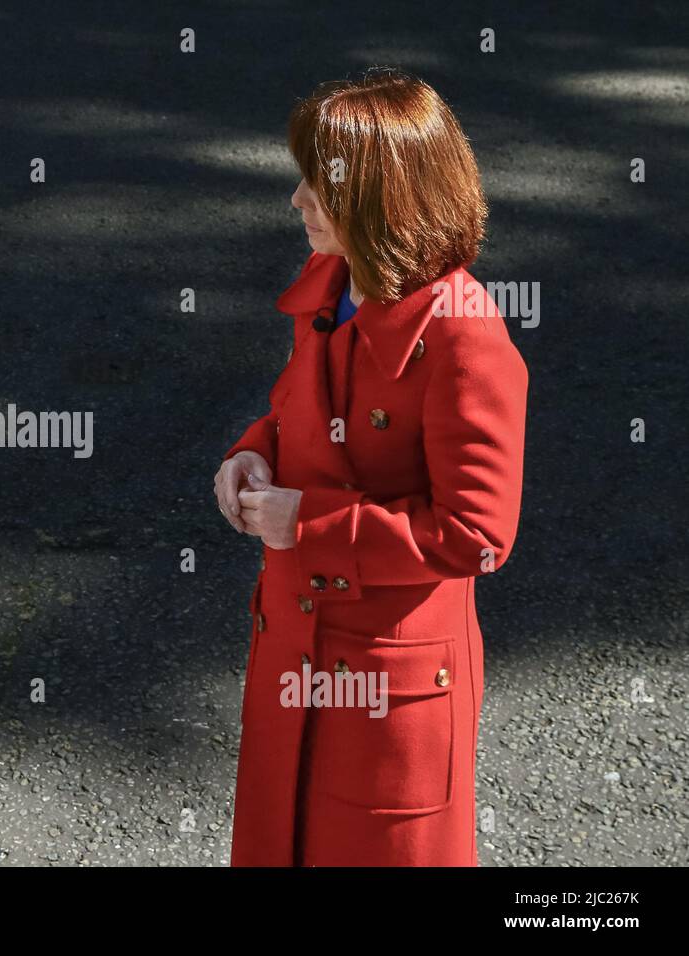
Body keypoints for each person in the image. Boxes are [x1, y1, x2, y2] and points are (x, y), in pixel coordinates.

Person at [214, 68, 528, 866]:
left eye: (318, 185)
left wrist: (309, 525)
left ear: (383, 195)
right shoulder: (336, 285)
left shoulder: (465, 337)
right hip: (296, 647)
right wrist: (251, 452)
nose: (297, 201)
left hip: (390, 684)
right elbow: (297, 412)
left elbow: (479, 535)